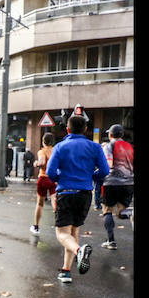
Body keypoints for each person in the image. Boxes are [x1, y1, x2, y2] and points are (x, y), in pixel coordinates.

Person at [45, 115, 110, 283]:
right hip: (84, 194)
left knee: (62, 234)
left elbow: (50, 172)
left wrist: (61, 178)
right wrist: (90, 177)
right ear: (86, 130)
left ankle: (79, 251)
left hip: (66, 192)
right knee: (74, 232)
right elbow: (104, 171)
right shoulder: (95, 147)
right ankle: (66, 271)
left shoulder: (60, 147)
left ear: (68, 129)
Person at [100, 124, 134, 250]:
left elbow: (108, 164)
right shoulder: (130, 147)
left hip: (111, 182)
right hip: (129, 183)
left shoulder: (109, 146)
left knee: (107, 210)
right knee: (121, 212)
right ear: (122, 135)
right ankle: (131, 213)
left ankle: (111, 241)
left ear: (110, 135)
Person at [30, 132, 57, 236]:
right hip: (53, 178)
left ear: (43, 141)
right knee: (54, 200)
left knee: (40, 204)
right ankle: (59, 223)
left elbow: (41, 162)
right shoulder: (55, 151)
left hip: (43, 178)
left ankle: (36, 227)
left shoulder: (42, 151)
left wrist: (36, 163)